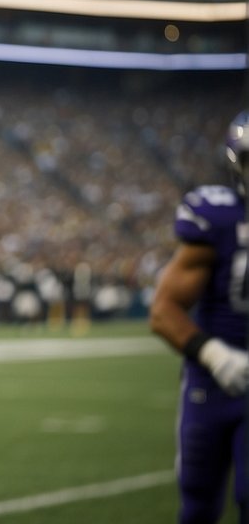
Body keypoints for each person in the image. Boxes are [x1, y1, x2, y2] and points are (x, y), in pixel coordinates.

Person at [149, 109, 248, 524]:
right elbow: (162, 310)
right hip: (210, 383)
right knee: (197, 504)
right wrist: (215, 355)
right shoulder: (218, 218)